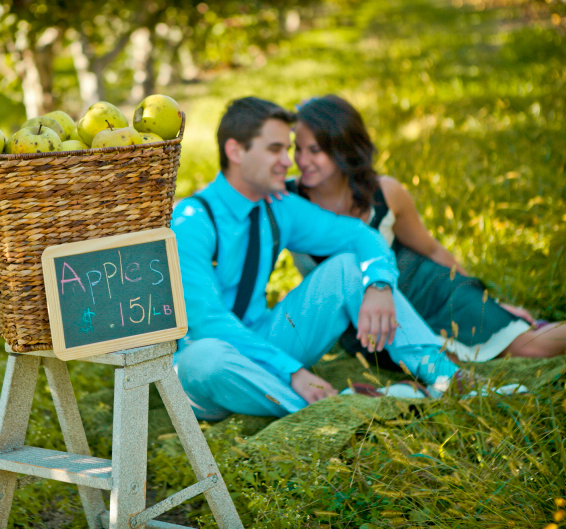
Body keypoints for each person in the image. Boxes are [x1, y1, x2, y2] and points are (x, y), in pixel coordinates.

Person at [170, 96, 463, 421]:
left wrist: (378, 283)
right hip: (215, 367)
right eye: (275, 149)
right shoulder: (191, 219)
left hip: (265, 339)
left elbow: (359, 234)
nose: (288, 161)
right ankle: (339, 407)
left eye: (287, 148)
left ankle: (448, 378)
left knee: (347, 267)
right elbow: (206, 323)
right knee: (203, 355)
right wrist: (292, 371)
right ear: (236, 151)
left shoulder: (278, 206)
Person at [290, 94, 565, 365]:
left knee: (531, 347)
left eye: (315, 150)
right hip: (376, 320)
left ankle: (513, 325)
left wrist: (486, 302)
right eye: (297, 149)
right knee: (448, 364)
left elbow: (432, 249)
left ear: (343, 147)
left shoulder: (385, 191)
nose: (302, 161)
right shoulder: (284, 200)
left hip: (432, 290)